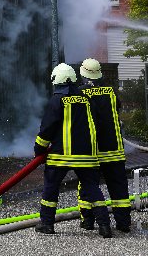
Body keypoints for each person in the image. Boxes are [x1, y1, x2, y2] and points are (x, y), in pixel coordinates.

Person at [33, 63, 112, 237]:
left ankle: (47, 224)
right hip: (86, 155)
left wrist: (39, 148)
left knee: (51, 188)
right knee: (93, 189)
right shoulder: (87, 99)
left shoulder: (57, 100)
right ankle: (105, 226)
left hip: (61, 156)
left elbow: (47, 128)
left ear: (56, 81)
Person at [78, 58, 131, 233]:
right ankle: (123, 224)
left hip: (93, 151)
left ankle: (88, 221)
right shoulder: (111, 92)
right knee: (119, 188)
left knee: (88, 186)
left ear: (83, 75)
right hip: (115, 151)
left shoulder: (81, 93)